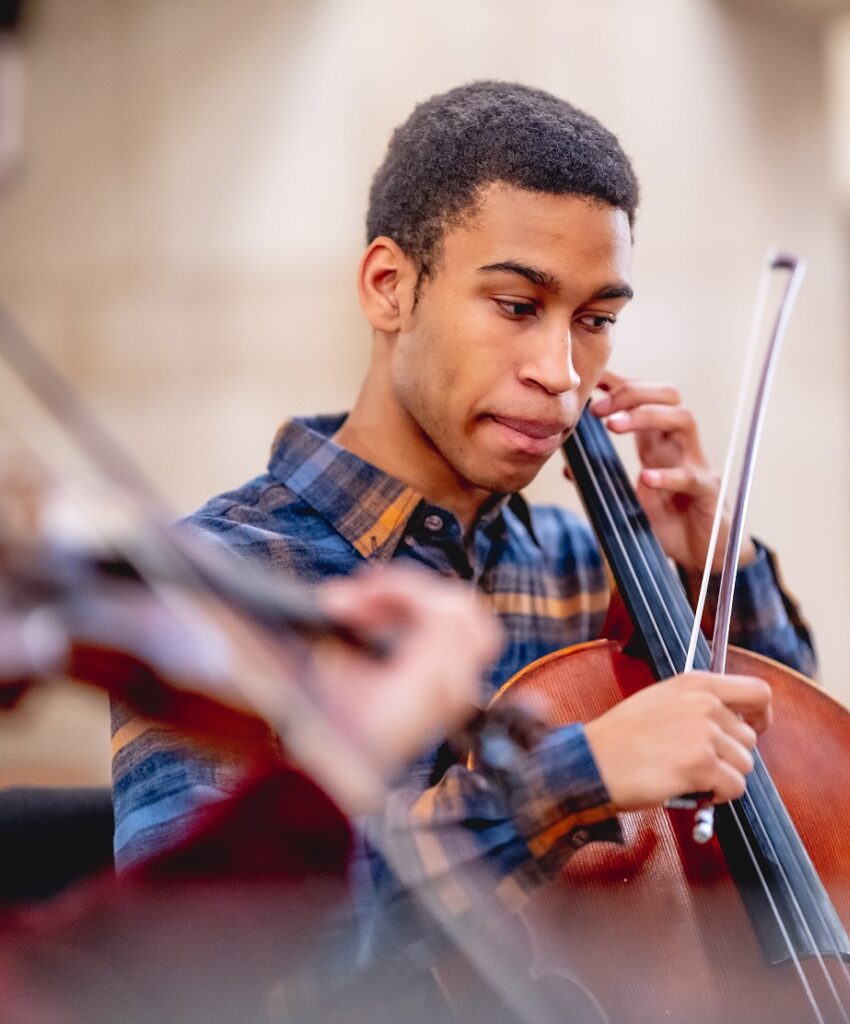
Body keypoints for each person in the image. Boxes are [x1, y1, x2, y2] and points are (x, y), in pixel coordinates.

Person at [110, 78, 810, 962]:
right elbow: (196, 966)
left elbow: (804, 791)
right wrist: (573, 778)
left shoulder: (579, 564)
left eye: (594, 320)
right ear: (389, 287)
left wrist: (715, 566)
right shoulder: (221, 580)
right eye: (518, 307)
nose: (562, 372)